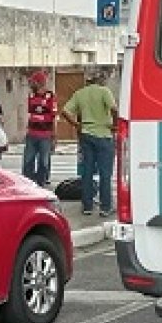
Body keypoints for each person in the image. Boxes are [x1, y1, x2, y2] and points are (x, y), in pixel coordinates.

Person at [60, 70, 118, 217]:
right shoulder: (105, 92)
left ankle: (87, 206)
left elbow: (65, 111)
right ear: (100, 80)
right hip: (104, 136)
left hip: (86, 135)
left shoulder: (80, 94)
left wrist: (76, 124)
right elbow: (114, 109)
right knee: (105, 174)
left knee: (87, 172)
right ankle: (105, 207)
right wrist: (115, 126)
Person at [23, 71, 57, 187]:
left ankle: (41, 182)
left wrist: (54, 136)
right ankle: (28, 182)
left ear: (39, 83)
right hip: (32, 134)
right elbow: (30, 115)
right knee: (28, 160)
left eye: (33, 82)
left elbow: (54, 117)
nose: (31, 84)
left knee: (44, 162)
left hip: (45, 135)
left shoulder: (50, 97)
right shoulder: (31, 96)